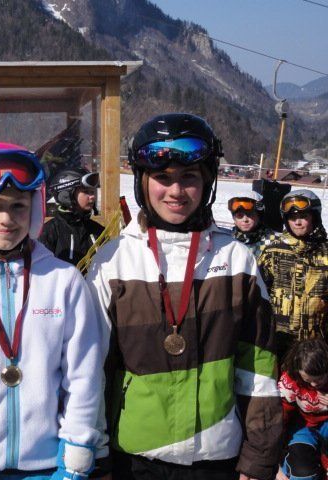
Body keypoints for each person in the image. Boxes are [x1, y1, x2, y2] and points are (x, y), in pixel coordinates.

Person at [87, 113, 282, 480]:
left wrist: (259, 457)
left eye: (189, 177)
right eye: (163, 178)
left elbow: (257, 366)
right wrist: (95, 456)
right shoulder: (113, 261)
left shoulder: (236, 260)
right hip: (134, 459)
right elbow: (91, 369)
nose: (175, 191)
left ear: (207, 181)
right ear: (142, 182)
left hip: (217, 459)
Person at [0, 143, 110, 479]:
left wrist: (75, 455)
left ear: (35, 208)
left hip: (49, 465)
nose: (6, 219)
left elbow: (83, 375)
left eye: (18, 206)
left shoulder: (63, 281)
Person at [259, 189, 328, 359]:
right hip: (276, 342)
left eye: (303, 216)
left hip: (315, 346)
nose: (297, 222)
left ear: (315, 216)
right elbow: (257, 296)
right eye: (291, 217)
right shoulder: (273, 251)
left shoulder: (325, 253)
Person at [278, 339, 328, 480]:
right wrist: (275, 456)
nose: (314, 385)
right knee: (302, 473)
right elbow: (281, 416)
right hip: (302, 425)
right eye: (308, 380)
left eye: (319, 379)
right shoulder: (291, 380)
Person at [39, 166, 104, 267]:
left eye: (92, 192)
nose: (92, 196)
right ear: (66, 195)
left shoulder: (98, 231)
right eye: (86, 192)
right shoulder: (49, 232)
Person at [227, 191, 277, 258]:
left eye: (250, 215)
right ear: (234, 219)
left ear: (259, 216)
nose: (245, 220)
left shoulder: (274, 242)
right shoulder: (227, 240)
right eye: (239, 216)